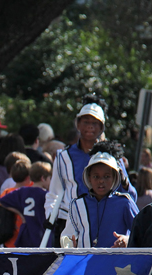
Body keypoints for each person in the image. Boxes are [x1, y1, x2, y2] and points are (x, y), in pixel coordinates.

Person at [44, 96, 107, 246]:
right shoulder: (63, 156)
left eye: (94, 123)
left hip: (100, 221)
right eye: (86, 122)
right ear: (78, 124)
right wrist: (51, 217)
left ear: (101, 127)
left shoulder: (109, 157)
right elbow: (54, 192)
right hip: (68, 222)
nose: (90, 127)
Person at [62, 150, 137, 249]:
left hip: (115, 262)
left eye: (106, 176)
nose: (101, 181)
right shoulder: (77, 204)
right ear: (89, 178)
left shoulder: (125, 203)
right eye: (96, 176)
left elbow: (141, 233)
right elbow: (67, 236)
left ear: (114, 177)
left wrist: (127, 240)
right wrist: (70, 244)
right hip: (84, 262)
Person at [0, 161, 53, 248]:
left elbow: (2, 201)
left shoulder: (23, 191)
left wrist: (21, 213)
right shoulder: (46, 195)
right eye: (50, 178)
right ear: (43, 178)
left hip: (25, 235)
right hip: (41, 235)